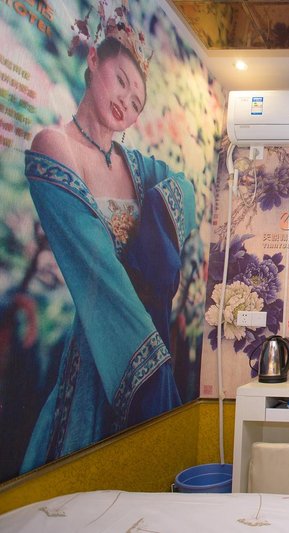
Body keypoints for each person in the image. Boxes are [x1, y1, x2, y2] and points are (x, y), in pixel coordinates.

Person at [21, 3, 196, 472]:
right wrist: (151, 367)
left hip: (148, 326)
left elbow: (184, 187)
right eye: (122, 82)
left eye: (137, 103)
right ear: (95, 60)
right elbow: (96, 265)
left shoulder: (136, 167)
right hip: (102, 343)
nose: (126, 103)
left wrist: (156, 218)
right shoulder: (55, 146)